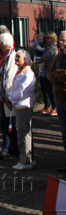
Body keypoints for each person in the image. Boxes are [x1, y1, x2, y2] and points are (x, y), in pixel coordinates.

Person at [6, 49, 36, 170]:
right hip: (18, 105)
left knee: (24, 134)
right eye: (16, 56)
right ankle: (26, 158)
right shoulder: (20, 72)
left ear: (26, 59)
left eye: (19, 57)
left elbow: (21, 92)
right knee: (22, 133)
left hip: (24, 105)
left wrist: (10, 99)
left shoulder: (28, 74)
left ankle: (26, 160)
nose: (16, 59)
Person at [0, 32, 19, 160]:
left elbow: (9, 77)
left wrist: (6, 95)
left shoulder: (10, 56)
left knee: (7, 123)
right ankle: (12, 147)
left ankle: (7, 148)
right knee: (8, 122)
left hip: (8, 95)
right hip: (4, 92)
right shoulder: (4, 55)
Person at [47, 31, 66, 171]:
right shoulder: (59, 56)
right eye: (60, 39)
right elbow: (50, 73)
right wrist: (58, 76)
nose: (61, 42)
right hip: (59, 98)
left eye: (63, 40)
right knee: (64, 133)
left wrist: (57, 75)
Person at [36, 31, 58, 115]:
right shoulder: (47, 47)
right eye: (46, 38)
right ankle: (47, 106)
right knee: (46, 89)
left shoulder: (52, 48)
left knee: (51, 90)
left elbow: (45, 57)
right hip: (46, 71)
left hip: (51, 71)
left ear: (52, 39)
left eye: (48, 38)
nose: (46, 40)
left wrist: (37, 61)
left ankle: (54, 107)